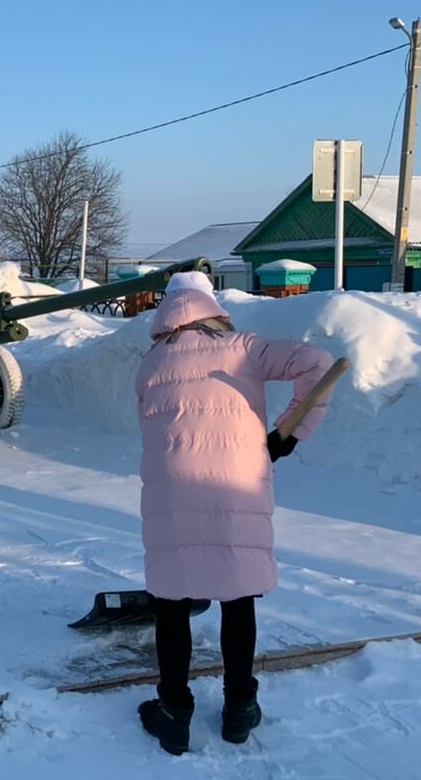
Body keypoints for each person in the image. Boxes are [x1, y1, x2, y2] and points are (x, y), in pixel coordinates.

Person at [134, 270, 334, 755]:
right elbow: (319, 363)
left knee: (173, 605)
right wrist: (286, 435)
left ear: (168, 313)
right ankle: (240, 708)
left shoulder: (149, 366)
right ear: (212, 308)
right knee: (238, 597)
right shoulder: (245, 348)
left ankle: (174, 712)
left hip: (172, 490)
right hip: (236, 486)